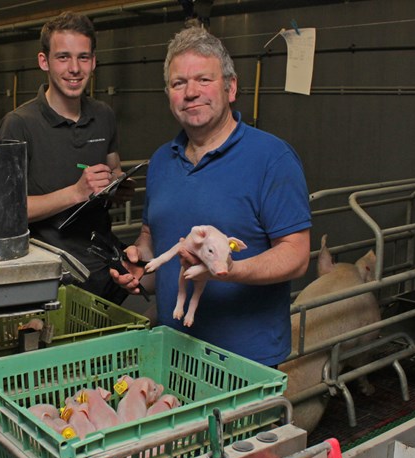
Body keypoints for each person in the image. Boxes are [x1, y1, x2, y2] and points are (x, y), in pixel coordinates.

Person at [111, 27, 312, 366]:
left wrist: (227, 268)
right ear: (169, 94)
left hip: (245, 361)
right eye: (179, 83)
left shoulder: (271, 159)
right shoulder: (162, 160)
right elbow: (151, 237)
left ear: (230, 88)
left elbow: (296, 255)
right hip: (171, 350)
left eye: (204, 80)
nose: (191, 92)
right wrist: (140, 266)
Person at [0, 11, 132, 304]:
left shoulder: (104, 115)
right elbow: (8, 212)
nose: (74, 68)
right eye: (63, 57)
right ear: (44, 61)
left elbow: (114, 169)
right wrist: (76, 192)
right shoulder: (19, 123)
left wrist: (116, 186)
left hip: (103, 264)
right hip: (50, 274)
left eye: (83, 57)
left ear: (94, 62)